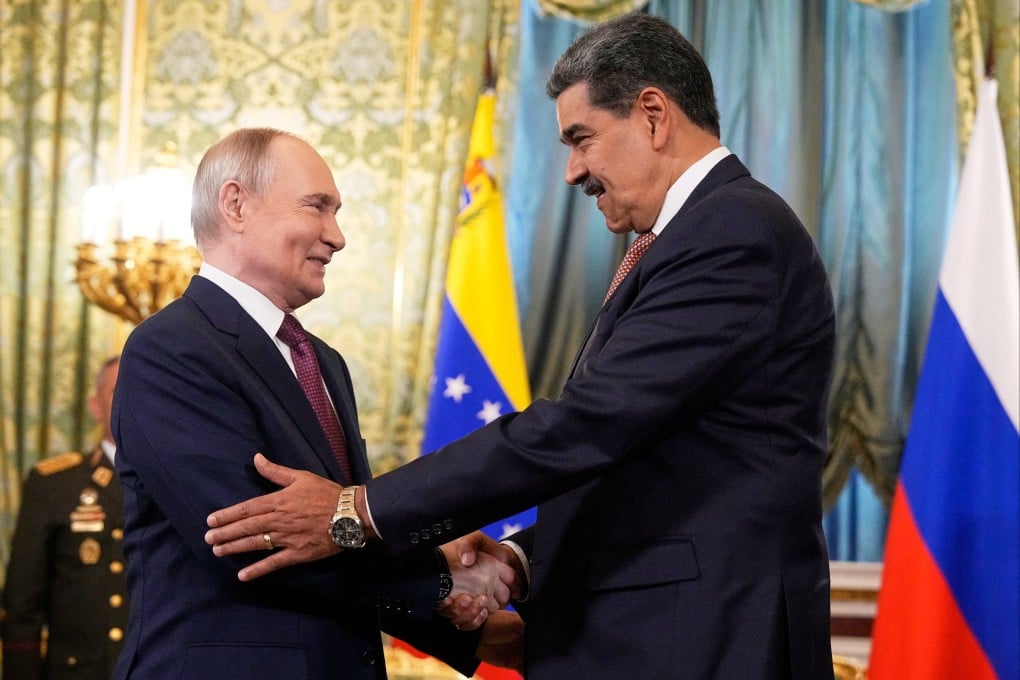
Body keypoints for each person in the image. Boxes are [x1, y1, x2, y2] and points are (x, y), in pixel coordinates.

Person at [205, 14, 837, 679]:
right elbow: (652, 469)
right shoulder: (692, 238)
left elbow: (590, 426)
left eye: (582, 138)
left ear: (653, 115)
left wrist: (357, 511)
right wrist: (519, 560)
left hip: (705, 638)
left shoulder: (732, 231)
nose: (572, 171)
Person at [110, 127, 514, 680]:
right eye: (317, 207)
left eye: (337, 211)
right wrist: (440, 576)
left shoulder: (322, 361)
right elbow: (256, 546)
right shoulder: (170, 347)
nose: (337, 236)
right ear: (236, 205)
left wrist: (469, 634)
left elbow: (334, 532)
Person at [2, 355, 128, 680]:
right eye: (118, 390)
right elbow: (22, 605)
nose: (132, 397)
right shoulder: (55, 485)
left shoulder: (177, 480)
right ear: (95, 406)